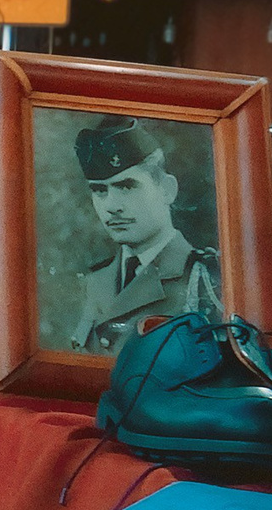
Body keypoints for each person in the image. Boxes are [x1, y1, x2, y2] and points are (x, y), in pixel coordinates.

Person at [66, 117, 224, 355]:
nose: (111, 206)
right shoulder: (94, 282)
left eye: (126, 187)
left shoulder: (206, 278)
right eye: (99, 190)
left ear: (167, 190)